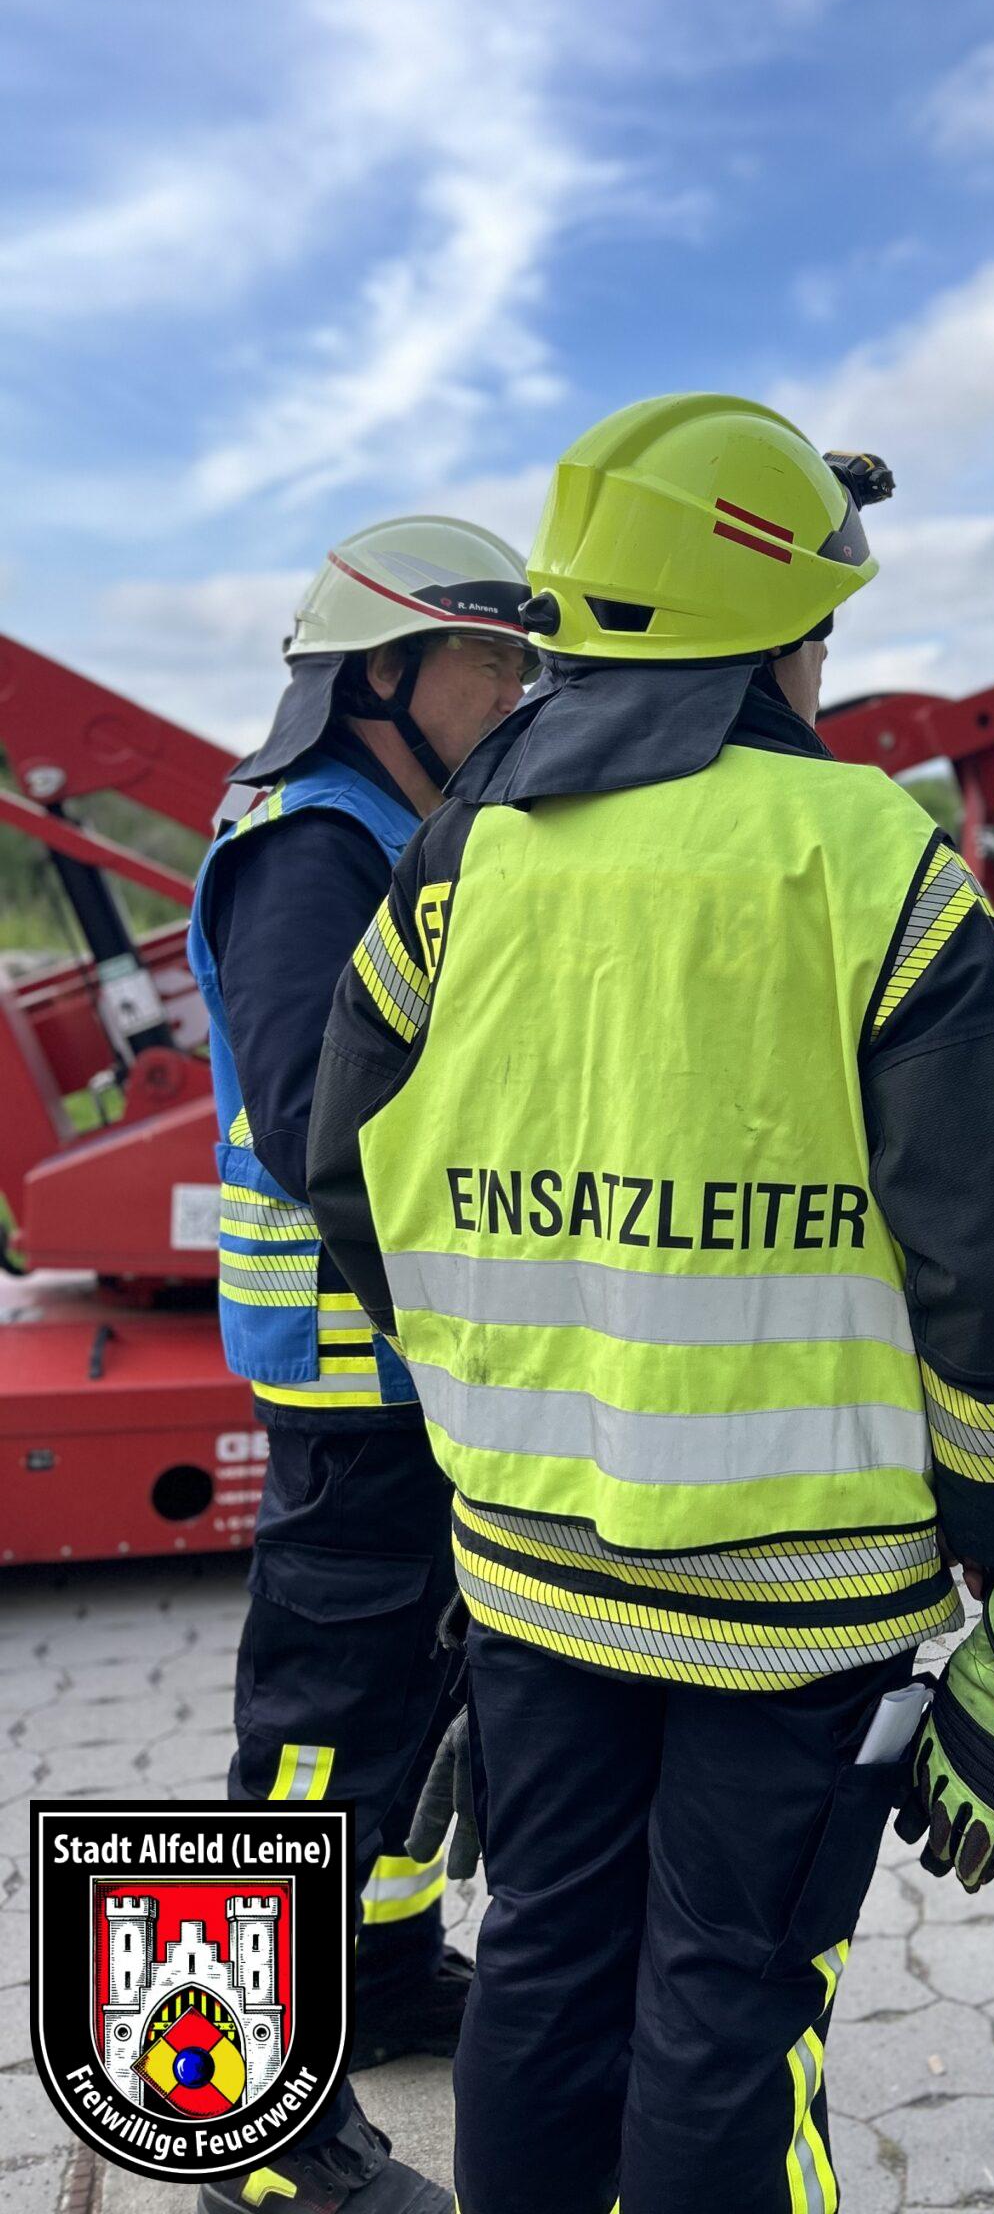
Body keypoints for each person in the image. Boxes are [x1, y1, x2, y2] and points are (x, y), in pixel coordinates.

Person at [306, 394, 994, 2214]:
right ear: (778, 631)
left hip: (531, 1564)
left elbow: (346, 1159)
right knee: (727, 2001)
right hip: (797, 1597)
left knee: (548, 1961)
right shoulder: (872, 857)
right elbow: (988, 1264)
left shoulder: (470, 852)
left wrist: (495, 1382)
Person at [185, 518, 536, 2214]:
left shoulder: (404, 828)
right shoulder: (313, 845)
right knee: (315, 1731)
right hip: (350, 1369)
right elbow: (318, 1110)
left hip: (413, 1365)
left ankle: (382, 1974)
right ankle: (237, 2120)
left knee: (409, 1697)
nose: (520, 692)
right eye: (496, 661)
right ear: (383, 671)